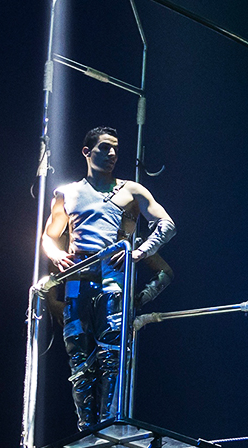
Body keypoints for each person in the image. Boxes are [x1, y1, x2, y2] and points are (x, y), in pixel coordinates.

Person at [41, 126, 176, 429]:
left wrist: (139, 252)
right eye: (104, 147)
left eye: (115, 148)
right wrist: (55, 254)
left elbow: (167, 224)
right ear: (87, 152)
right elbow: (49, 236)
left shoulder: (131, 190)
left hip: (113, 286)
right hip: (77, 286)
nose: (112, 153)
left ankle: (108, 428)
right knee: (79, 364)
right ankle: (87, 432)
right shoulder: (68, 193)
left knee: (113, 359)